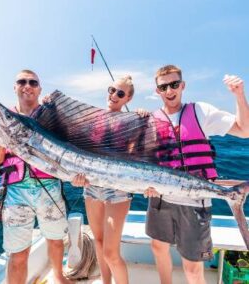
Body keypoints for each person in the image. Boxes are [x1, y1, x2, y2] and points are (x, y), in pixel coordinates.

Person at [143, 65, 249, 284]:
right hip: (159, 198)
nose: (169, 90)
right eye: (163, 87)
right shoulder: (151, 120)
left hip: (195, 202)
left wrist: (239, 95)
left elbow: (244, 130)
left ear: (183, 86)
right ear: (157, 91)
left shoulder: (201, 111)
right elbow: (148, 160)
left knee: (192, 267)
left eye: (174, 85)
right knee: (158, 247)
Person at [0, 70, 71, 284]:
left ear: (39, 89)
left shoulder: (49, 117)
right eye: (21, 81)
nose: (27, 85)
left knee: (56, 239)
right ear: (15, 87)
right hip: (16, 193)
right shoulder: (1, 120)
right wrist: (1, 140)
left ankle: (59, 277)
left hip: (49, 186)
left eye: (32, 82)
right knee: (18, 253)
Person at [71, 76, 135, 284]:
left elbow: (135, 155)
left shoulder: (132, 120)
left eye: (120, 93)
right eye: (112, 90)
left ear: (128, 98)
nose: (113, 95)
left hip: (117, 190)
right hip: (91, 187)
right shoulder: (94, 118)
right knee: (98, 241)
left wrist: (142, 115)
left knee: (111, 253)